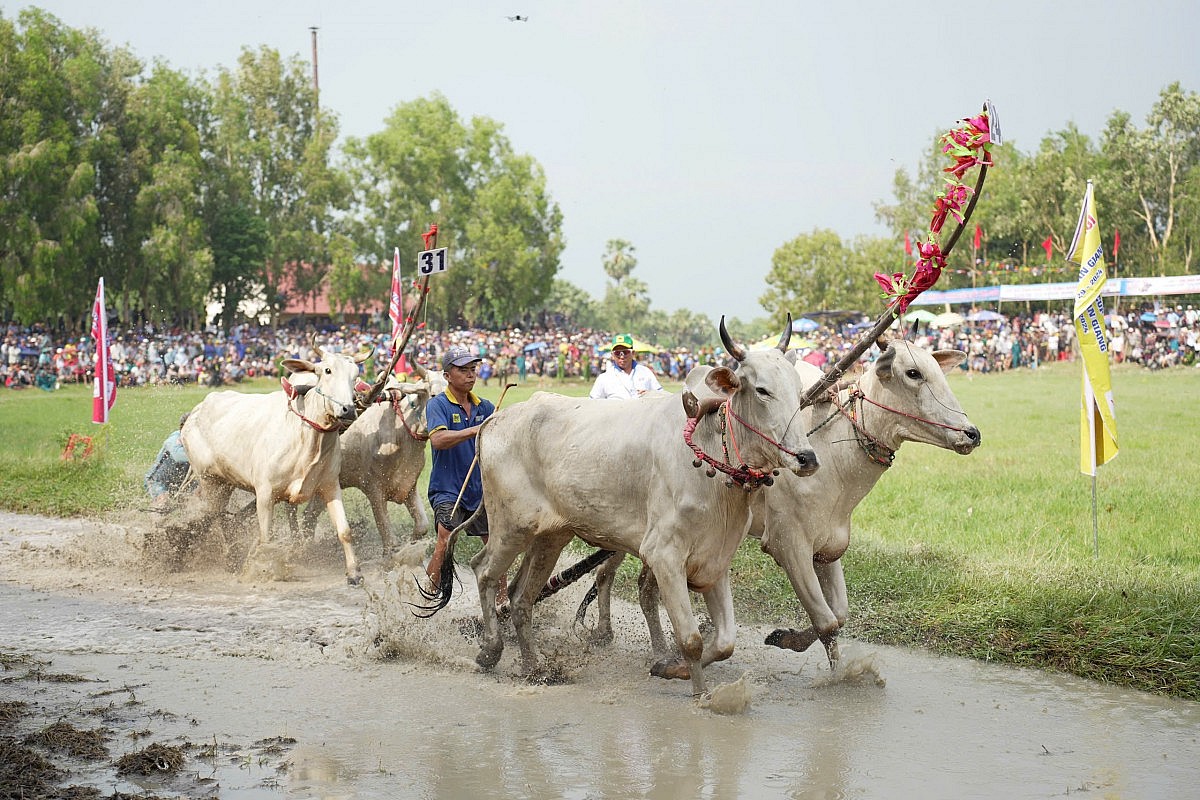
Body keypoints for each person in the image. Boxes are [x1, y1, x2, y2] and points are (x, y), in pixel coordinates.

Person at [425, 345, 497, 590]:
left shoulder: (485, 407)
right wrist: (474, 430)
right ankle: (428, 594)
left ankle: (503, 600)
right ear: (447, 375)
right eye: (463, 370)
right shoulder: (438, 405)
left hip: (479, 490)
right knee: (445, 541)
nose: (470, 374)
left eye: (473, 369)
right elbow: (438, 439)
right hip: (448, 488)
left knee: (495, 546)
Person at [589, 333, 664, 400]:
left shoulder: (645, 372)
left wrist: (651, 394)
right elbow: (593, 403)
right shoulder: (604, 378)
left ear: (633, 353)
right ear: (612, 355)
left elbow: (662, 397)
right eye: (617, 353)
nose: (622, 356)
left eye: (625, 352)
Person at [145, 413, 192, 511]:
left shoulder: (196, 442)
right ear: (183, 428)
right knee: (164, 501)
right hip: (156, 481)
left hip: (179, 484)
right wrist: (201, 456)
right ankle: (154, 519)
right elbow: (178, 456)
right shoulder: (174, 439)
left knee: (195, 500)